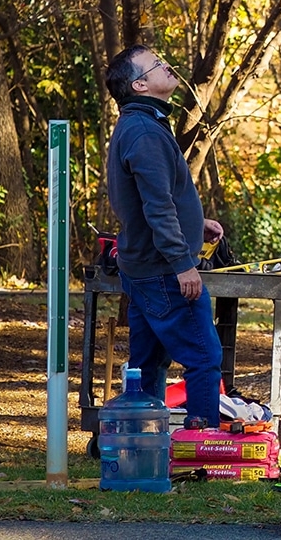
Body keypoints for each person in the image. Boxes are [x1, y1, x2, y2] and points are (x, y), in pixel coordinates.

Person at [105, 46, 224, 428]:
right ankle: (204, 443)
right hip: (161, 269)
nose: (167, 65)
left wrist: (195, 222)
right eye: (157, 64)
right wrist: (182, 264)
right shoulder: (143, 131)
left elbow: (155, 197)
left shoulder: (144, 124)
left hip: (144, 265)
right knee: (204, 357)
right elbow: (156, 206)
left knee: (147, 361)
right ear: (140, 85)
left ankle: (141, 437)